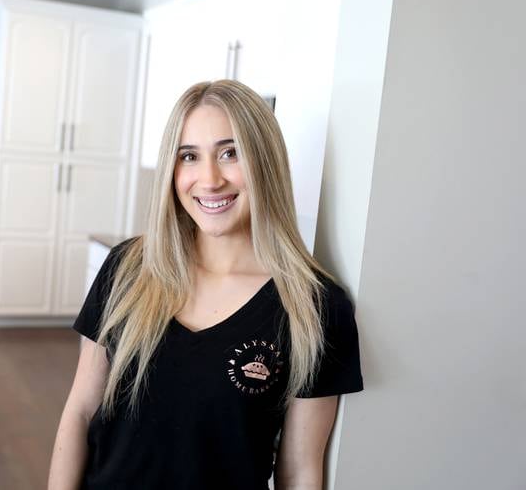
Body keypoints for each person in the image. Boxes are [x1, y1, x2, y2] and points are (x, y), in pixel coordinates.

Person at [47, 80, 363, 490]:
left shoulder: (314, 307)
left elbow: (300, 468)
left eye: (230, 153)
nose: (209, 179)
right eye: (189, 157)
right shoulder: (127, 269)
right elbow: (80, 411)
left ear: (265, 162)